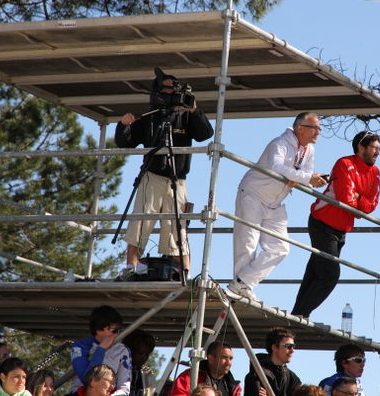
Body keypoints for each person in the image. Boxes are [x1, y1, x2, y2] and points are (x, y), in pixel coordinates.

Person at [114, 69, 214, 281]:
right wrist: (123, 125)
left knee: (177, 229)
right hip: (152, 176)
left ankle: (183, 272)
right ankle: (131, 268)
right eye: (168, 89)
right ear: (158, 91)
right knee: (140, 222)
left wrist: (194, 109)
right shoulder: (150, 117)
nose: (172, 93)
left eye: (175, 89)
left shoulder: (186, 116)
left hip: (178, 180)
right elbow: (125, 143)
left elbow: (206, 134)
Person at [229, 112, 327, 301]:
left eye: (319, 128)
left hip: (275, 203)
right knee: (247, 244)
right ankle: (242, 287)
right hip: (253, 195)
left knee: (281, 248)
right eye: (314, 128)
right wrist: (301, 178)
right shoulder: (280, 143)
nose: (318, 132)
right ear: (300, 128)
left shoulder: (310, 150)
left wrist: (298, 178)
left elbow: (307, 173)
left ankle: (242, 282)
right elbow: (276, 167)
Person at [291, 131, 380, 318]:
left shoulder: (376, 173)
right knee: (330, 274)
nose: (378, 152)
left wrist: (358, 198)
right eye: (374, 147)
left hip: (342, 229)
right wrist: (358, 200)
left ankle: (296, 315)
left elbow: (372, 205)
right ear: (361, 148)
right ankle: (301, 314)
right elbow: (346, 200)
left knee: (316, 272)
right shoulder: (345, 163)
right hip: (322, 222)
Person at [69, 305, 131, 396]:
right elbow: (87, 379)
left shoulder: (122, 350)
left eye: (119, 330)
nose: (117, 334)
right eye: (114, 330)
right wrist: (101, 350)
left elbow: (124, 388)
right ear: (98, 330)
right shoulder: (79, 347)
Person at [244, 327, 301, 396]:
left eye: (293, 346)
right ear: (274, 347)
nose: (292, 350)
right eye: (288, 346)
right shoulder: (258, 374)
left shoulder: (293, 379)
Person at [170, 342, 240, 396]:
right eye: (224, 357)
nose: (228, 362)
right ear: (211, 358)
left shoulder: (233, 387)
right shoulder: (189, 377)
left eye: (231, 358)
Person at [122, 330, 157, 396]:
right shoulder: (117, 369)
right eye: (140, 353)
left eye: (147, 354)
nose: (143, 357)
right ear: (130, 351)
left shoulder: (148, 374)